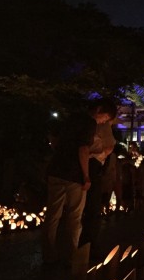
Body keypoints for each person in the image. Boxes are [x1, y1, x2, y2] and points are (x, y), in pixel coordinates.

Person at [42, 98, 116, 267]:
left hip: (56, 170)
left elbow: (54, 139)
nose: (103, 121)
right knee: (74, 216)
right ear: (98, 109)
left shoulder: (70, 118)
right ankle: (71, 255)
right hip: (74, 174)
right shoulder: (89, 122)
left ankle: (48, 255)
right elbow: (83, 149)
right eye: (105, 117)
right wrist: (86, 175)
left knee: (52, 215)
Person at [79, 100, 118, 257]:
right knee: (92, 207)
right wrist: (98, 155)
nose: (105, 121)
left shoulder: (79, 121)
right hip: (92, 164)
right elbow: (109, 146)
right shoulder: (97, 125)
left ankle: (78, 244)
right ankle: (88, 245)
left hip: (81, 163)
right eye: (106, 117)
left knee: (80, 208)